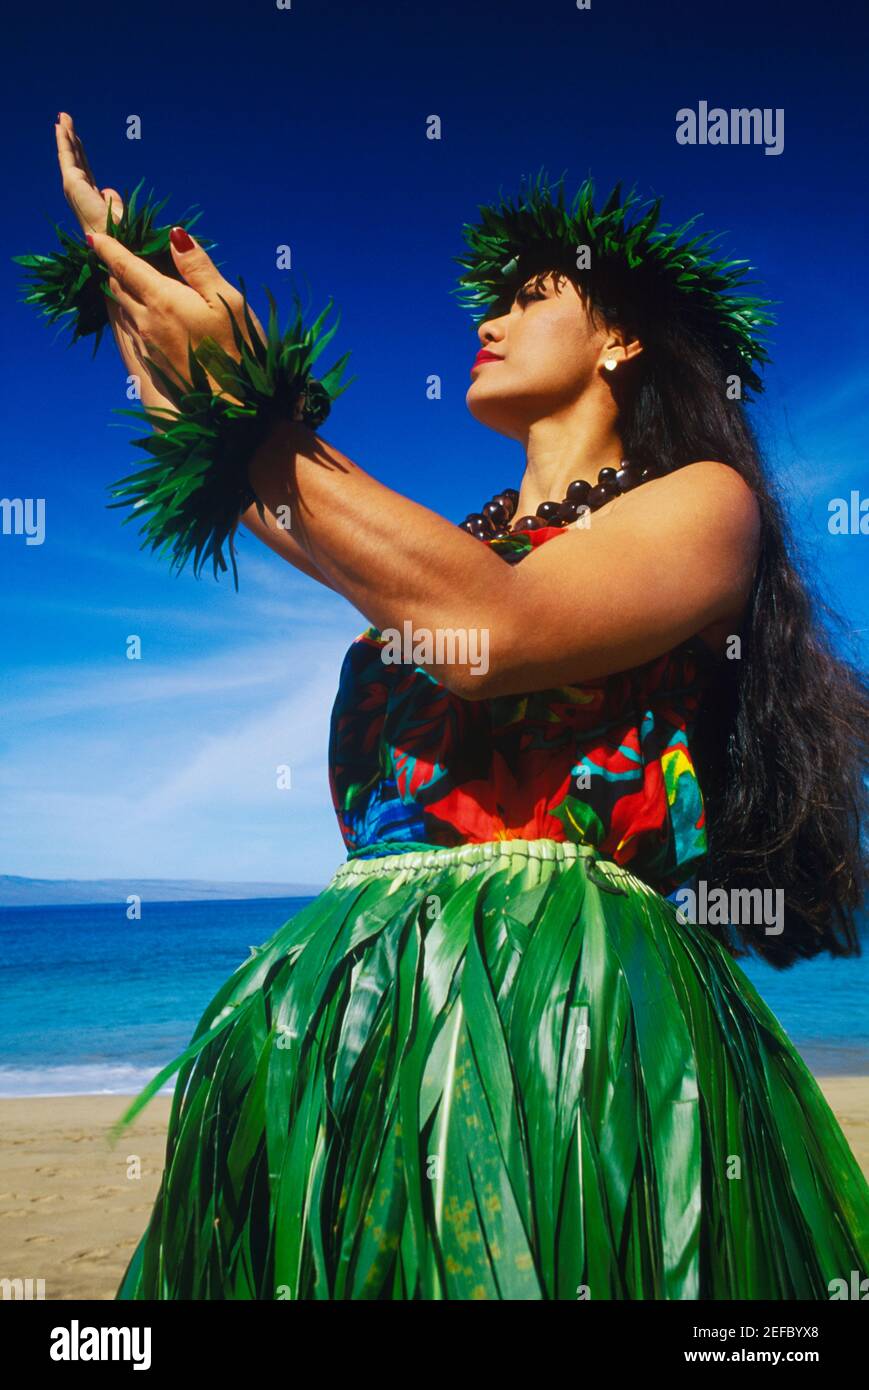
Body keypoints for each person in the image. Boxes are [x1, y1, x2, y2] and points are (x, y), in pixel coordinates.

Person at [53, 114, 869, 1299]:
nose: (483, 322)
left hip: (559, 1016)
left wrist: (253, 408)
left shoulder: (703, 503)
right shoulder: (455, 541)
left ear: (620, 337)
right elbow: (269, 491)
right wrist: (128, 285)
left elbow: (494, 634)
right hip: (364, 1002)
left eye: (526, 298)